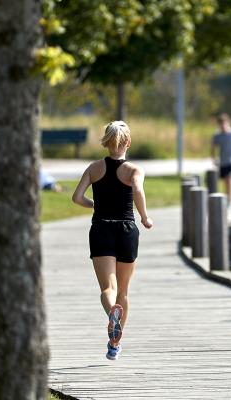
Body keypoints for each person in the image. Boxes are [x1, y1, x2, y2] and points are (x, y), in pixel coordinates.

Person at [71, 121, 153, 360]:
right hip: (127, 230)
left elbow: (77, 197)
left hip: (101, 229)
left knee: (108, 288)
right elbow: (137, 190)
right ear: (128, 142)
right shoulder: (134, 170)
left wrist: (94, 204)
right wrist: (145, 217)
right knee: (124, 292)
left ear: (106, 142)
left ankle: (111, 313)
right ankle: (115, 343)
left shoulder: (94, 168)